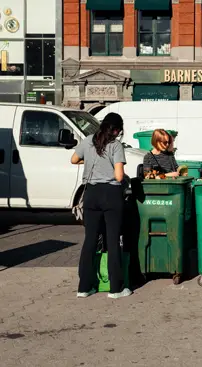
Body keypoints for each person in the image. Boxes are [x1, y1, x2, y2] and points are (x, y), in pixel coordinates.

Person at [71, 112, 132, 299]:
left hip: (91, 194)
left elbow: (73, 159)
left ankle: (84, 287)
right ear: (115, 130)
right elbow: (119, 176)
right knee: (112, 240)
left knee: (90, 239)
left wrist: (88, 161)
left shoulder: (89, 140)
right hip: (111, 195)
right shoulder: (115, 145)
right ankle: (116, 289)